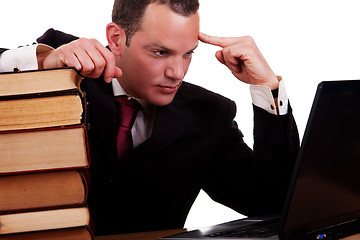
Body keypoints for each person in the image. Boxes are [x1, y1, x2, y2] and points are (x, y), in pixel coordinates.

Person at [0, 0, 299, 236]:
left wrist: (267, 87)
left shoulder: (209, 115)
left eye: (187, 54)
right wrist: (40, 67)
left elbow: (271, 203)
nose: (177, 72)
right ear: (116, 38)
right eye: (160, 52)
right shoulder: (58, 58)